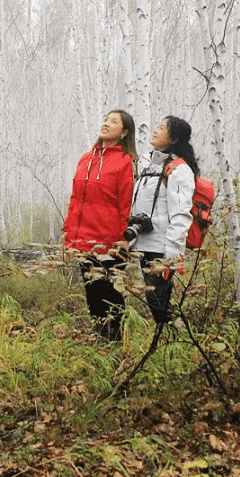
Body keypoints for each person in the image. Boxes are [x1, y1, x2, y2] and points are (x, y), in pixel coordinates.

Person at [63, 110, 137, 341]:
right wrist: (69, 237)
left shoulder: (125, 162)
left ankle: (116, 341)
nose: (106, 124)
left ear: (124, 132)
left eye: (113, 122)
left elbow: (126, 204)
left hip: (110, 241)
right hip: (83, 240)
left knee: (110, 294)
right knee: (92, 293)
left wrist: (122, 239)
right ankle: (100, 339)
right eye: (106, 119)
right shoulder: (86, 158)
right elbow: (75, 201)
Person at [127, 116, 199, 325]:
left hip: (162, 247)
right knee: (155, 300)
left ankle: (174, 341)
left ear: (174, 139)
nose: (156, 130)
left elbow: (181, 213)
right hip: (143, 243)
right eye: (157, 125)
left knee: (158, 299)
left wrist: (173, 254)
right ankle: (167, 341)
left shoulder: (179, 169)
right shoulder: (147, 165)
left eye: (162, 128)